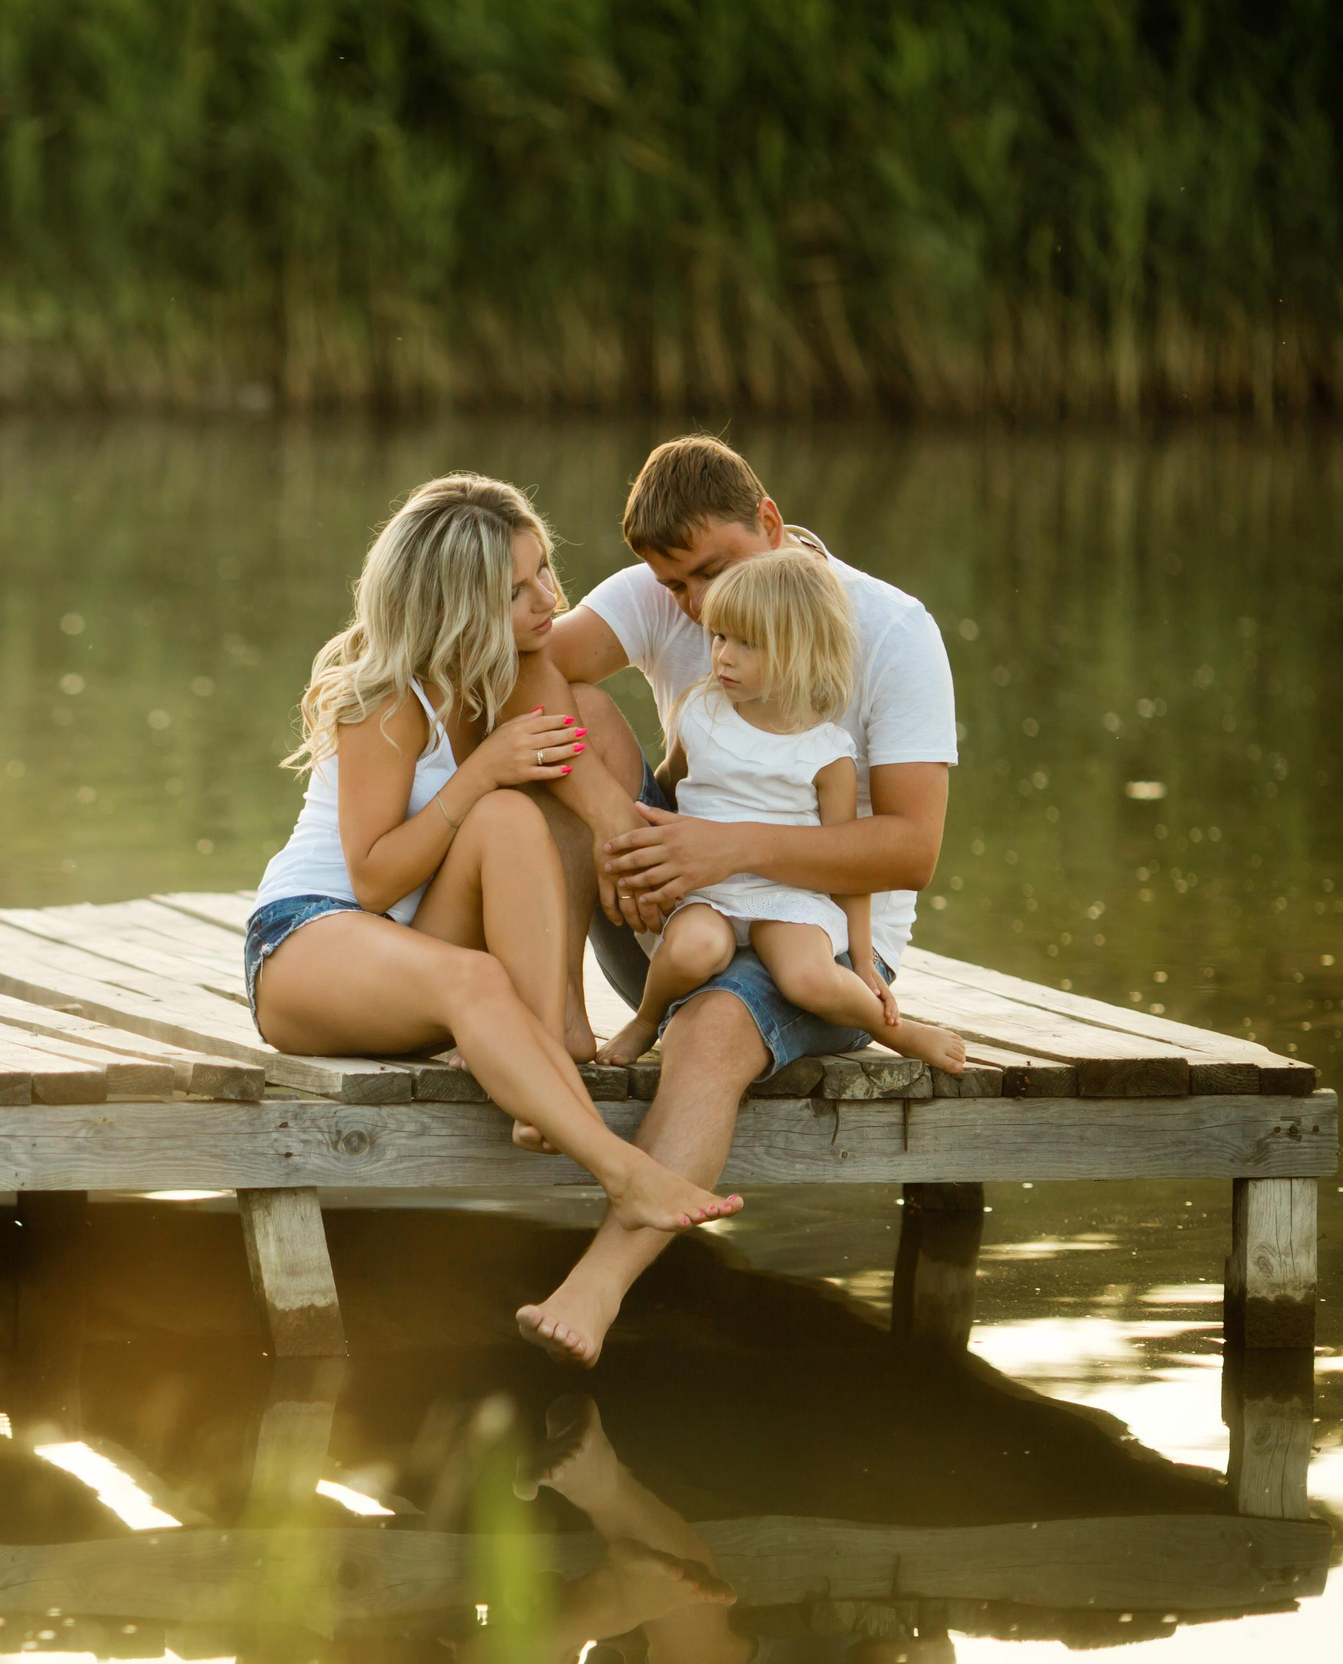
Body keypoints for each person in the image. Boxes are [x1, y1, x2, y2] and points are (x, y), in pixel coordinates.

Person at [505, 437, 958, 1365]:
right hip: (671, 904)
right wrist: (611, 828)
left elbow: (912, 847)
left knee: (714, 1027)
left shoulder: (892, 631)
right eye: (674, 588)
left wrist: (731, 847)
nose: (697, 606)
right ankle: (558, 1028)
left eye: (712, 573)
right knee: (567, 720)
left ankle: (593, 1293)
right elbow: (522, 665)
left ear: (771, 525)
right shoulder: (663, 590)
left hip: (813, 938)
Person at [246, 473, 743, 1236]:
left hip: (416, 955)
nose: (548, 598)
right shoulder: (387, 699)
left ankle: (553, 1035)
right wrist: (482, 769)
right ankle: (625, 1172)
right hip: (312, 939)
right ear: (455, 607)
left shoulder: (507, 676)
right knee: (476, 959)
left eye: (543, 569)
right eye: (517, 590)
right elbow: (373, 880)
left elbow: (563, 756)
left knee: (520, 805)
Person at [593, 548, 967, 1079]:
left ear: (798, 653)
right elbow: (672, 785)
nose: (722, 656)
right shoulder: (699, 711)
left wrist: (862, 957)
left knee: (807, 976)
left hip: (789, 899)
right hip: (710, 891)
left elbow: (849, 867)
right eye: (720, 636)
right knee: (693, 948)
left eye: (747, 645)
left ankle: (898, 1032)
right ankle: (646, 1019)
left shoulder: (827, 752)